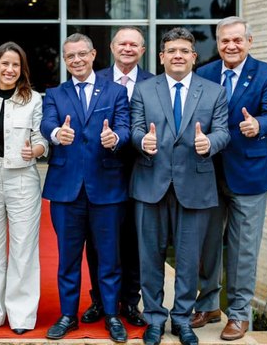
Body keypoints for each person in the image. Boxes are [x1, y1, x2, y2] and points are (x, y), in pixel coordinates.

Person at [129, 27, 230, 345]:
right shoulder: (144, 89)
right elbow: (134, 128)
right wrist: (141, 141)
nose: (177, 55)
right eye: (171, 50)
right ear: (161, 57)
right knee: (150, 258)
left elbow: (223, 132)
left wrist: (209, 142)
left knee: (188, 260)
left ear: (193, 57)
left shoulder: (214, 92)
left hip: (195, 185)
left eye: (184, 51)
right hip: (150, 184)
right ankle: (154, 318)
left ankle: (183, 320)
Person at [192, 17, 267, 341]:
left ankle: (239, 313)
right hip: (208, 173)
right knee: (207, 244)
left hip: (249, 175)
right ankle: (207, 305)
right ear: (217, 43)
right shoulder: (203, 73)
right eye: (225, 41)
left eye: (237, 40)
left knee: (243, 249)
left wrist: (259, 125)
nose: (231, 46)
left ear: (249, 41)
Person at [40, 33, 131, 343]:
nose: (76, 60)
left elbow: (124, 126)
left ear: (93, 55)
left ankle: (112, 315)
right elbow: (47, 123)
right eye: (70, 56)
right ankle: (68, 315)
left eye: (82, 54)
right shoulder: (55, 93)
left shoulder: (116, 91)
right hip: (66, 189)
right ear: (65, 60)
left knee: (109, 258)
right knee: (67, 259)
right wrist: (56, 133)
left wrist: (115, 138)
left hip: (107, 187)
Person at [83, 27, 152, 327]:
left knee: (133, 240)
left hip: (141, 173)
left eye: (134, 44)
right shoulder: (94, 79)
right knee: (97, 242)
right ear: (111, 48)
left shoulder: (154, 82)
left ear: (142, 50)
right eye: (122, 43)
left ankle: (130, 301)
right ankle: (100, 300)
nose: (127, 48)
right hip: (100, 174)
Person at [0, 42, 47, 335]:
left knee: (23, 248)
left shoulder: (34, 99)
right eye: (5, 63)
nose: (10, 69)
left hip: (22, 178)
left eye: (15, 65)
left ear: (22, 69)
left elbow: (41, 136)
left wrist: (37, 150)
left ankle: (21, 315)